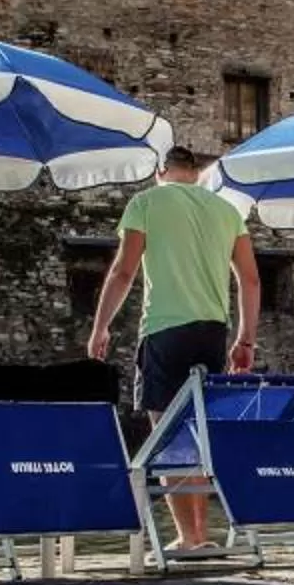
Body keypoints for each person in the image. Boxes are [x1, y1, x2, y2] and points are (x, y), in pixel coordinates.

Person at [87, 144, 260, 555]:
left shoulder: (146, 202)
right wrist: (245, 339)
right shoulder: (227, 212)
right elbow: (251, 281)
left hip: (165, 329)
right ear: (197, 173)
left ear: (160, 171)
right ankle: (200, 532)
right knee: (196, 431)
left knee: (167, 433)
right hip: (212, 332)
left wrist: (100, 327)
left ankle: (189, 537)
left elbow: (124, 271)